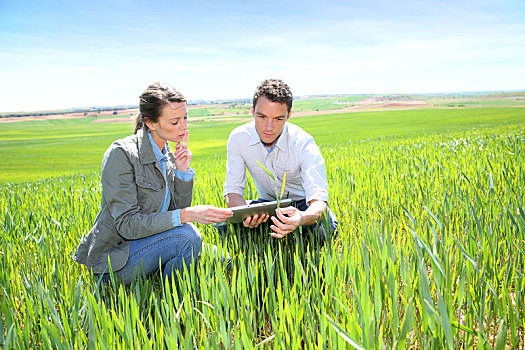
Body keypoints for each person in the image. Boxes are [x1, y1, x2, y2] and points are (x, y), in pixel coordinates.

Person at [73, 82, 233, 285]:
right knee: (187, 237)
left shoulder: (167, 152)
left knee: (225, 261)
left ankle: (165, 270)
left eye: (185, 118)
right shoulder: (121, 154)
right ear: (150, 123)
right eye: (175, 122)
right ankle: (175, 305)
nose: (184, 127)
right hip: (118, 259)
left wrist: (182, 172)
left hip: (155, 241)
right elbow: (127, 225)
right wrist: (189, 215)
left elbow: (174, 214)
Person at [223, 79, 338, 241]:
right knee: (224, 227)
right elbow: (233, 191)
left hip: (301, 206)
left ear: (289, 116)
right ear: (252, 111)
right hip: (265, 206)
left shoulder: (303, 143)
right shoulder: (238, 138)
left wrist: (301, 218)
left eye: (278, 119)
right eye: (262, 116)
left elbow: (319, 202)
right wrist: (245, 214)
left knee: (323, 231)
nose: (268, 127)